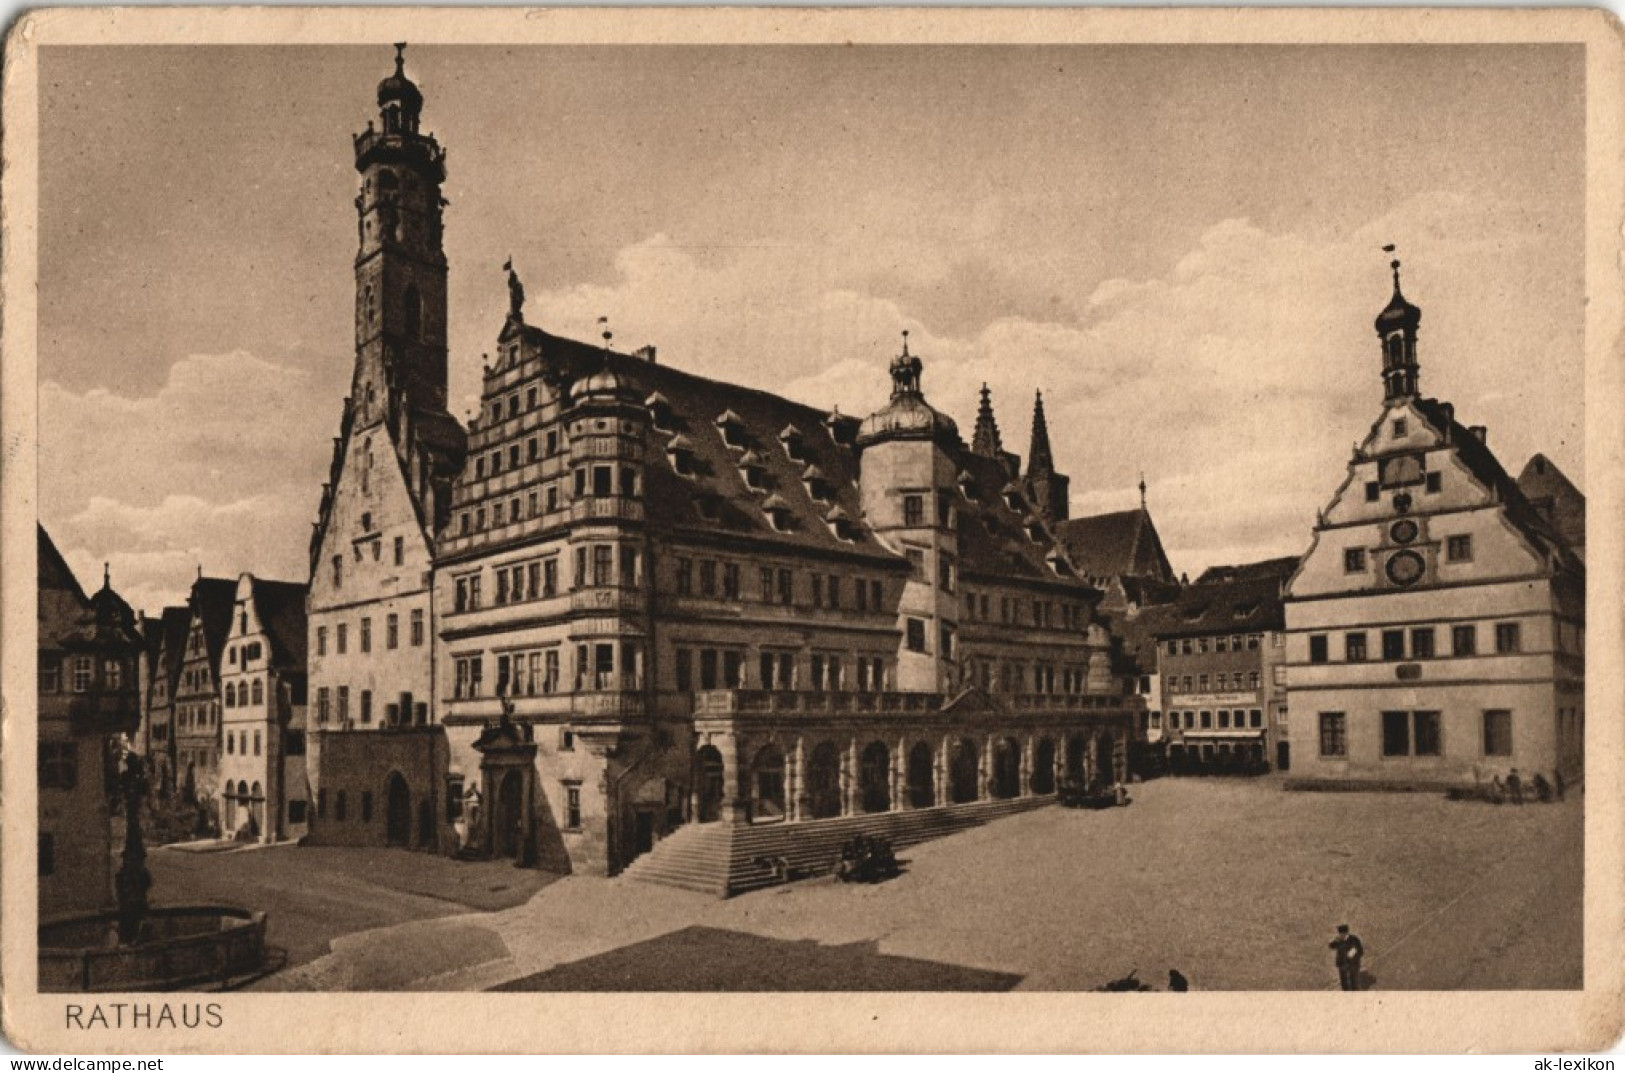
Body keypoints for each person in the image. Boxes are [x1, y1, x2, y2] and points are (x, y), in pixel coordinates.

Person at [1329, 924, 1364, 991]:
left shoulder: (1354, 939)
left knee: (1354, 982)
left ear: (1345, 933)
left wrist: (1353, 954)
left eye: (1341, 933)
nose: (1339, 935)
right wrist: (1335, 941)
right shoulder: (1339, 940)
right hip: (1342, 964)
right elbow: (1331, 946)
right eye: (1339, 933)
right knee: (1344, 983)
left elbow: (1360, 951)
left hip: (1353, 965)